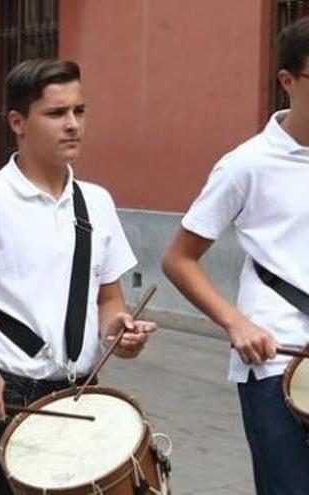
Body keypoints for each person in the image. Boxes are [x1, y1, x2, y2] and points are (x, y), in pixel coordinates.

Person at [0, 59, 156, 494]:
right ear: (18, 122)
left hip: (83, 395)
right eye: (56, 114)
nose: (73, 125)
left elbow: (108, 298)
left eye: (79, 111)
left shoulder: (95, 201)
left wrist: (120, 331)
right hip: (8, 398)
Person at [162, 17, 309, 494]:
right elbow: (179, 258)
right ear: (287, 81)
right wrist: (235, 322)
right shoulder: (245, 165)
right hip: (275, 358)